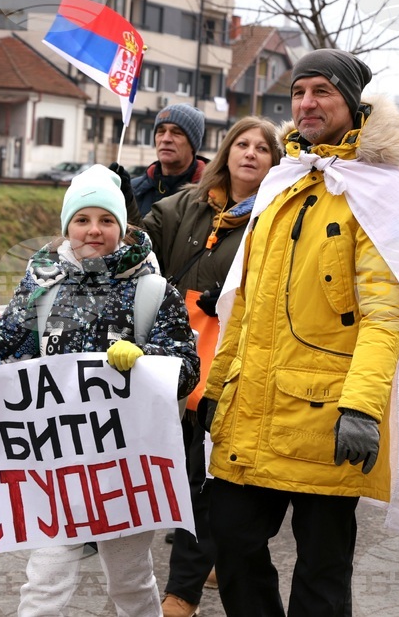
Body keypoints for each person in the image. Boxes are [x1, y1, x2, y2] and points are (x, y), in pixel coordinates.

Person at [199, 49, 399, 615]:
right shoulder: (281, 181)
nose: (306, 103)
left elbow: (385, 313)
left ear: (350, 101)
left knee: (322, 570)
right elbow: (245, 301)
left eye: (321, 91)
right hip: (252, 406)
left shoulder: (379, 189)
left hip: (328, 414)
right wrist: (218, 384)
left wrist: (363, 408)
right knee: (229, 538)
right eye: (299, 92)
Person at [0, 165, 200, 616]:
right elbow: (9, 343)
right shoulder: (41, 285)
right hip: (57, 466)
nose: (93, 230)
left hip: (126, 468)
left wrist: (145, 363)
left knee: (130, 584)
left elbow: (187, 366)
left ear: (122, 227)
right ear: (67, 227)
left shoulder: (154, 290)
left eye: (105, 220)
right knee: (43, 584)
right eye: (82, 219)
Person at [130, 117, 280, 617]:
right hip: (173, 351)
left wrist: (240, 299)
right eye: (242, 143)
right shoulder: (187, 204)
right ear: (226, 151)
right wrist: (118, 204)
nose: (251, 153)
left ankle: (181, 593)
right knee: (172, 473)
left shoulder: (278, 217)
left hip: (233, 358)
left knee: (205, 478)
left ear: (275, 162)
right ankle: (207, 559)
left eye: (263, 147)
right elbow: (139, 245)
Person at [128, 103, 208, 217]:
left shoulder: (211, 193)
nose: (166, 139)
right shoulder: (133, 191)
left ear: (193, 144)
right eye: (161, 131)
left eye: (176, 133)